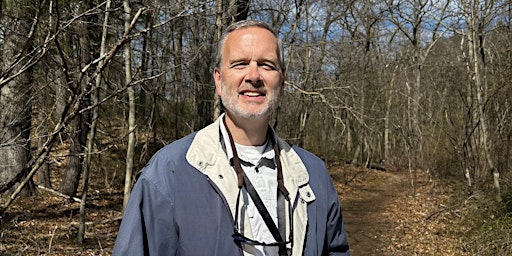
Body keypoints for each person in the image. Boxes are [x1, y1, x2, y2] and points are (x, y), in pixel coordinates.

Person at [113, 20, 350, 256]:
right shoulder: (169, 173)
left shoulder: (313, 176)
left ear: (283, 82)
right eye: (240, 64)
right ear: (218, 78)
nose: (254, 75)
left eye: (267, 65)